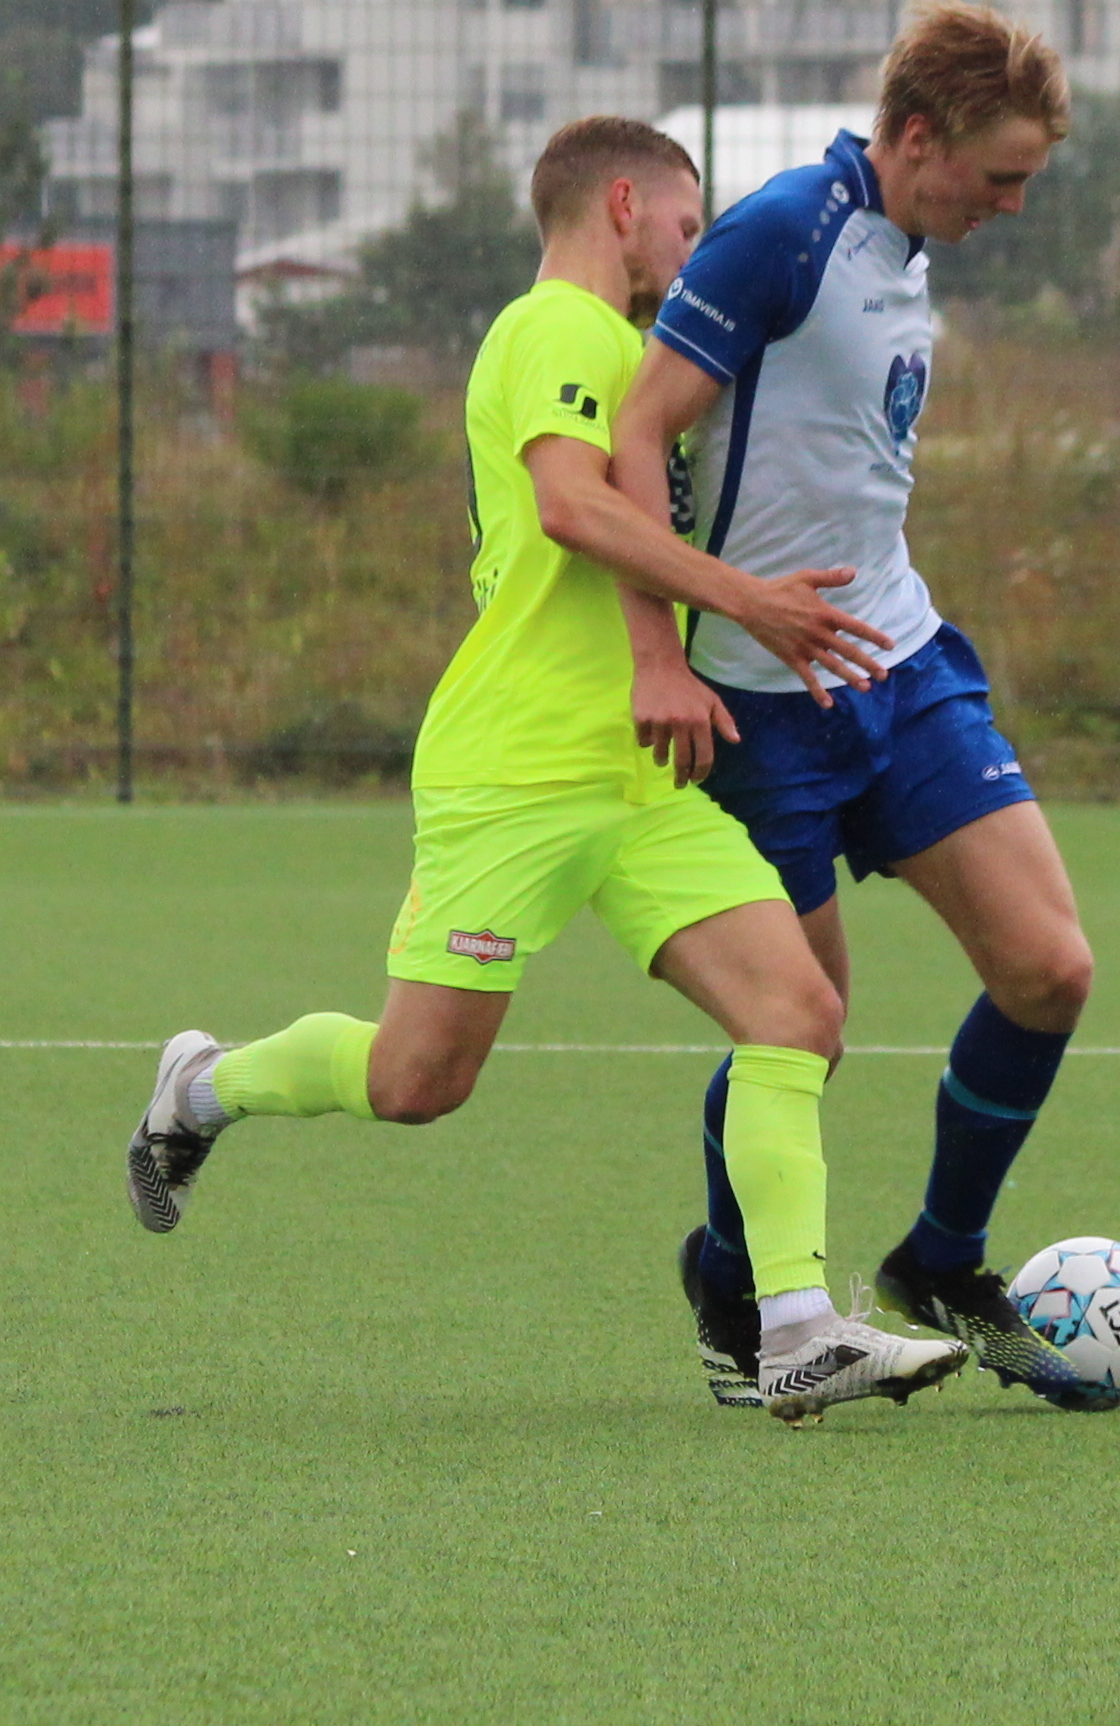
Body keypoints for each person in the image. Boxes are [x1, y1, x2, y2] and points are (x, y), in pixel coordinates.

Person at [123, 116, 965, 1424]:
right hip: (513, 771)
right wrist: (747, 600)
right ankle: (202, 1085)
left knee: (798, 1012)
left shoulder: (629, 351)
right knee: (418, 1083)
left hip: (641, 774)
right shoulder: (556, 328)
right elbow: (573, 508)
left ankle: (799, 1329)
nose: (694, 248)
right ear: (622, 204)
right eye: (685, 222)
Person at [612, 1, 1106, 1409]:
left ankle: (940, 1261)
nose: (1012, 205)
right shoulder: (782, 232)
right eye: (1000, 176)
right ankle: (733, 1283)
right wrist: (660, 655)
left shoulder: (907, 242)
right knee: (802, 1023)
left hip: (900, 662)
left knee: (1050, 970)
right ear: (916, 137)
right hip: (762, 709)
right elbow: (637, 433)